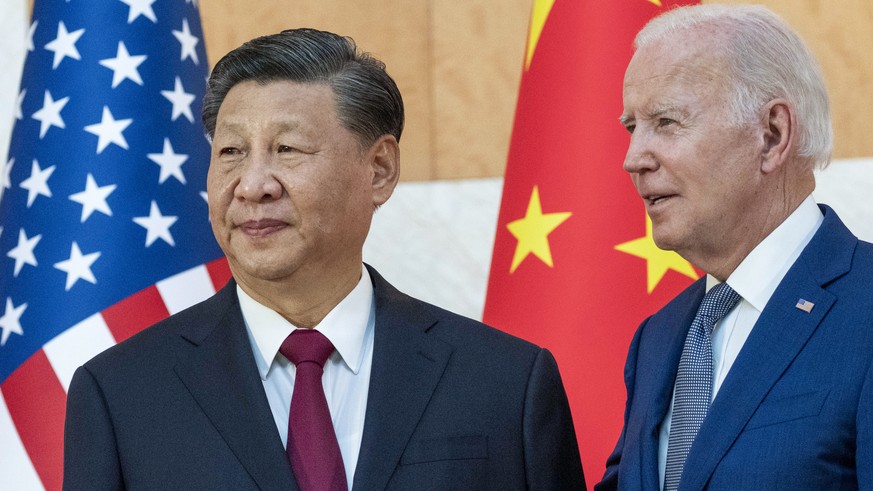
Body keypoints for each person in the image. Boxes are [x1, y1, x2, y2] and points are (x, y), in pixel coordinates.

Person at [62, 29, 585, 490]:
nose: (254, 185)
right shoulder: (120, 395)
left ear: (378, 170)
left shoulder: (504, 381)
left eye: (287, 149)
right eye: (231, 153)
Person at [597, 5, 872, 490]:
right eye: (631, 127)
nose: (633, 158)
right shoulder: (657, 338)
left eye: (666, 121)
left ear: (772, 135)